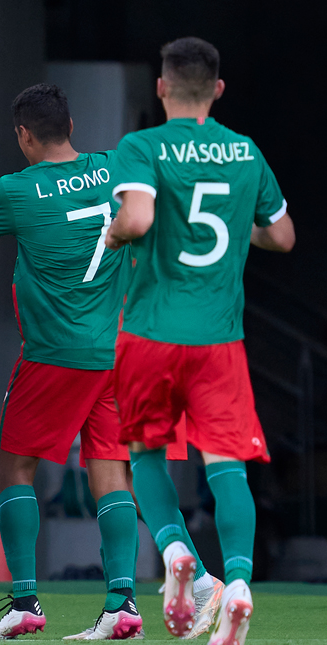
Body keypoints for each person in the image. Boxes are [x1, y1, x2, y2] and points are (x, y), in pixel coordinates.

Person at [105, 37, 295, 645]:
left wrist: (113, 235)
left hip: (151, 332)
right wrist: (244, 231)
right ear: (217, 90)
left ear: (161, 88)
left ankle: (176, 552)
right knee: (227, 465)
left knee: (144, 456)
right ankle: (237, 581)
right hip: (220, 339)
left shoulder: (142, 145)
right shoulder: (244, 151)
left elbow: (136, 220)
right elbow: (283, 236)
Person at [0, 83, 144, 641]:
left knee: (13, 468)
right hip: (115, 351)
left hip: (53, 353)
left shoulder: (15, 190)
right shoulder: (115, 167)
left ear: (23, 133)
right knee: (109, 470)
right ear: (70, 123)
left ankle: (24, 602)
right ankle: (122, 604)